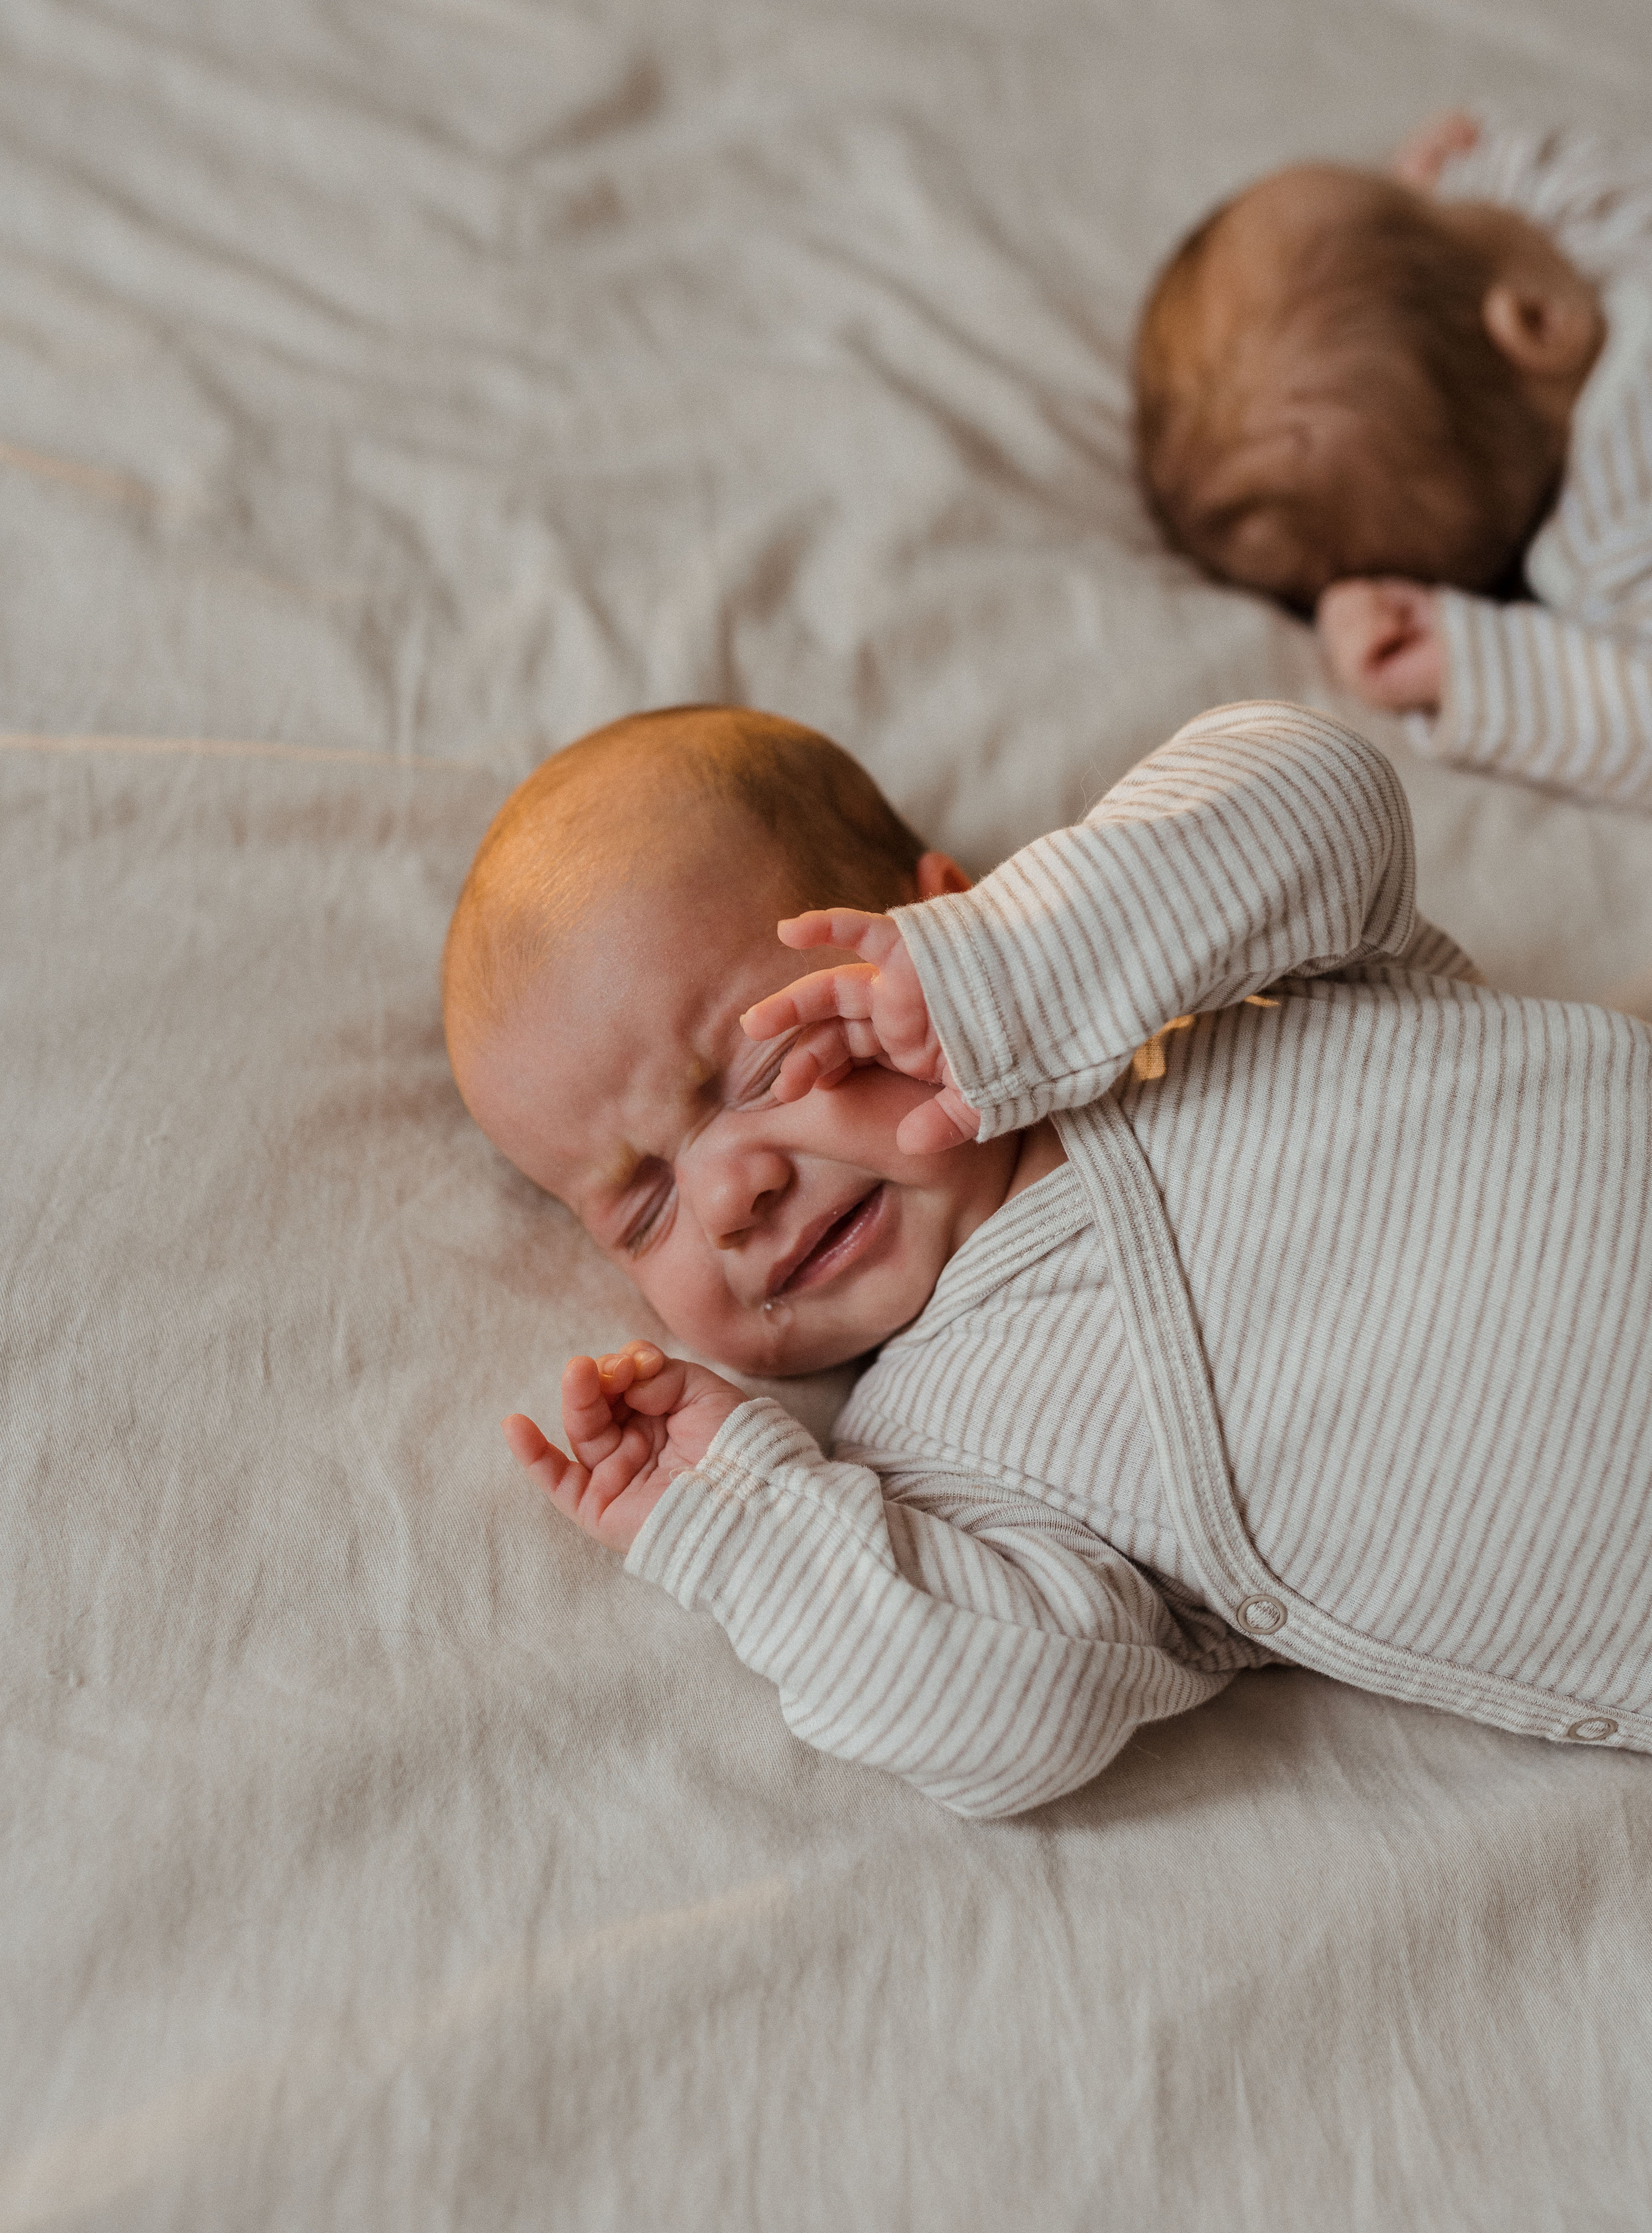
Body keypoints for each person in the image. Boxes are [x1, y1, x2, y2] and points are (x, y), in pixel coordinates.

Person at [446, 700, 1652, 1819]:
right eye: (643, 1207)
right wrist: (744, 1523)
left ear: (941, 914)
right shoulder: (937, 1458)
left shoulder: (1184, 991)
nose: (728, 1193)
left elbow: (1324, 786)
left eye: (768, 1065)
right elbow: (1010, 1711)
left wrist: (1017, 967)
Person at [1134, 115, 1652, 811]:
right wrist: (1477, 175)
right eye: (1428, 209)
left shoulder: (1605, 547)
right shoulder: (1612, 249)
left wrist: (1467, 664)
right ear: (1534, 322)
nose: (1438, 185)